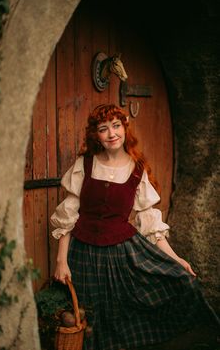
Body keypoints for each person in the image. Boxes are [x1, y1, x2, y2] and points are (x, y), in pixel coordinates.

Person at [50, 104, 219, 350]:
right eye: (103, 129)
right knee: (89, 318)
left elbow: (150, 222)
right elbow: (68, 215)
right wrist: (61, 261)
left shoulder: (136, 170)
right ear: (95, 134)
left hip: (122, 254)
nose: (112, 134)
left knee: (123, 312)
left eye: (116, 126)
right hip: (83, 254)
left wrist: (176, 259)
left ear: (125, 128)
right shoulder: (84, 165)